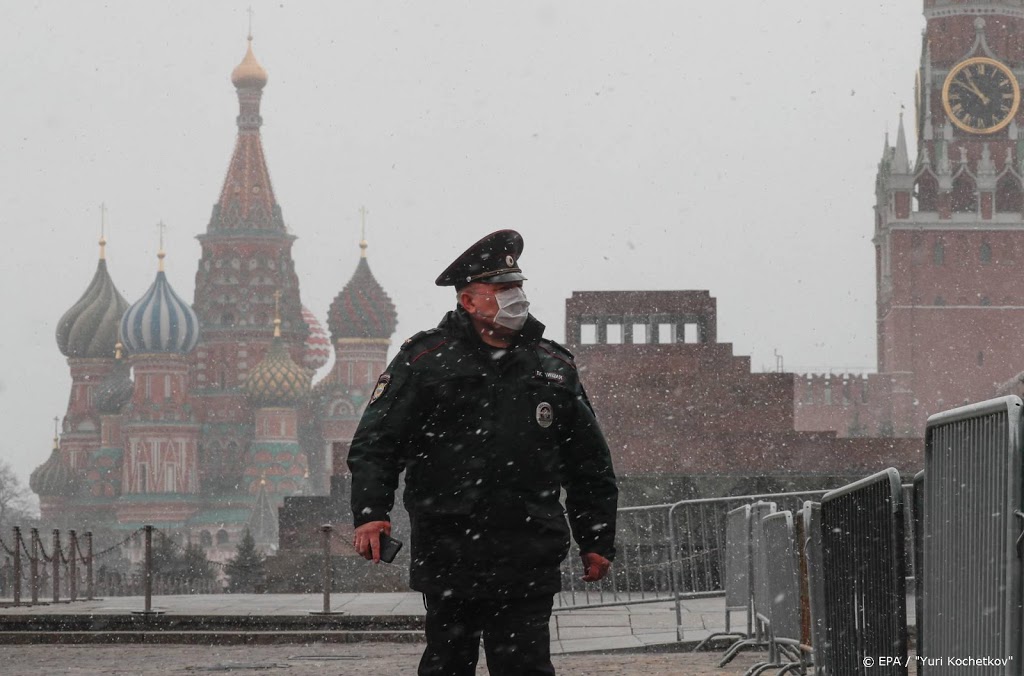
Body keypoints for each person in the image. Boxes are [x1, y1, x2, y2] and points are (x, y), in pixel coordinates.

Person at [348, 229, 619, 676]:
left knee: (526, 666)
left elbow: (588, 463)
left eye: (518, 288)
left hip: (528, 548)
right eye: (502, 290)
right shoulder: (426, 361)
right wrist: (370, 511)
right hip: (449, 547)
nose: (517, 299)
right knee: (448, 663)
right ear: (468, 301)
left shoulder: (552, 366)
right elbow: (377, 442)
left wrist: (596, 539)